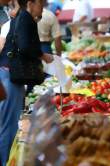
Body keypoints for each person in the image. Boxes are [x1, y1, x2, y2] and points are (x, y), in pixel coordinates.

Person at [0, 0, 53, 164]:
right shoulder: (24, 18)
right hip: (10, 77)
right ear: (31, 3)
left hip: (9, 75)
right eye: (40, 5)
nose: (42, 8)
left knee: (7, 125)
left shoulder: (22, 17)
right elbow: (24, 46)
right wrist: (42, 55)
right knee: (9, 127)